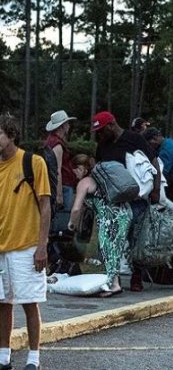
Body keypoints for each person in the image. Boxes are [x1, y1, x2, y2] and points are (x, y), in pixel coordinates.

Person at [0, 112, 50, 370]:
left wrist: (42, 246)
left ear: (11, 135)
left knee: (29, 303)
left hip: (26, 246)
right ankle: (4, 355)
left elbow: (45, 205)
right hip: (1, 249)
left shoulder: (33, 162)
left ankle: (33, 358)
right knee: (2, 304)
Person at [91, 111, 161, 292]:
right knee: (113, 237)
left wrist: (156, 189)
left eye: (101, 130)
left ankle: (137, 275)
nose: (99, 135)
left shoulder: (134, 139)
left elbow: (154, 162)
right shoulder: (103, 145)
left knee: (136, 236)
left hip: (136, 196)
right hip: (113, 199)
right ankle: (114, 278)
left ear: (111, 125)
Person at [68, 153, 129, 297]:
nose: (74, 173)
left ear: (82, 168)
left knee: (107, 249)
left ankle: (114, 285)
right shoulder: (100, 179)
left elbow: (76, 208)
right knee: (114, 249)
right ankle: (115, 282)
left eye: (75, 170)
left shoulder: (84, 183)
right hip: (123, 213)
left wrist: (71, 223)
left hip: (109, 217)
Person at [45, 110, 78, 211]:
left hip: (58, 186)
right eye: (67, 124)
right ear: (62, 126)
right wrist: (59, 195)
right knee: (61, 221)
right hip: (62, 187)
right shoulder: (57, 145)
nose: (69, 126)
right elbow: (57, 170)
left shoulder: (51, 141)